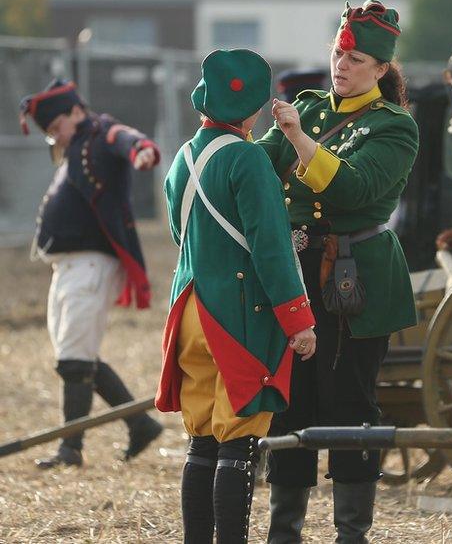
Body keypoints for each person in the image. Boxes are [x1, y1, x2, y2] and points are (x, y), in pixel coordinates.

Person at [256, 0, 419, 542]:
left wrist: (298, 138)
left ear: (380, 69)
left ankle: (351, 534)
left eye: (355, 59)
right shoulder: (307, 107)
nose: (341, 65)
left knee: (351, 404)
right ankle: (284, 533)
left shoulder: (394, 126)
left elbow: (352, 187)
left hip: (356, 280)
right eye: (338, 54)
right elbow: (257, 169)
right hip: (294, 273)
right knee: (290, 403)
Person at [154, 48, 317, 543]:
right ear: (253, 108)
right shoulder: (247, 158)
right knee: (239, 442)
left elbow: (180, 234)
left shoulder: (182, 157)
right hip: (236, 316)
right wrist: (298, 319)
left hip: (190, 309)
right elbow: (271, 248)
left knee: (202, 440)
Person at [20, 79, 164, 470]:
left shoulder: (101, 132)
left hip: (91, 263)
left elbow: (126, 137)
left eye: (57, 127)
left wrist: (142, 150)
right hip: (69, 265)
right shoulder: (76, 146)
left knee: (75, 357)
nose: (56, 136)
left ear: (76, 112)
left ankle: (71, 449)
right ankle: (140, 424)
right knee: (75, 355)